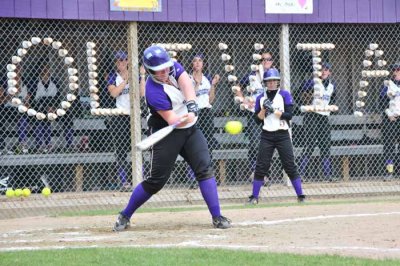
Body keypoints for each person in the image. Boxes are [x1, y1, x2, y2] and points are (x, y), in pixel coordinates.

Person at [113, 45, 231, 231]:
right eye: (159, 71)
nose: (165, 72)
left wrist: (192, 106)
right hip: (166, 130)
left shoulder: (173, 67)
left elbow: (186, 84)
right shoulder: (153, 91)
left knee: (204, 168)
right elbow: (172, 119)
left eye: (166, 68)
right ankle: (125, 215)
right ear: (150, 71)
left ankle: (217, 216)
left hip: (190, 129)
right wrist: (184, 118)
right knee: (156, 180)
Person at [247, 68, 306, 204]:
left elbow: (289, 115)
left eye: (274, 81)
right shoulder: (261, 98)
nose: (272, 83)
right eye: (269, 81)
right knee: (261, 166)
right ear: (265, 83)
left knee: (289, 164)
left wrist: (274, 110)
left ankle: (300, 195)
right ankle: (254, 197)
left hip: (282, 134)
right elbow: (257, 120)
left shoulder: (284, 95)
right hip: (267, 135)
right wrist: (263, 109)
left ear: (278, 82)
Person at [107, 51, 145, 190]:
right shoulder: (113, 76)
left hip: (134, 116)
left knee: (138, 147)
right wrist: (126, 81)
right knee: (121, 150)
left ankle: (141, 178)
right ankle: (124, 182)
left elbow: (142, 94)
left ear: (128, 61)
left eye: (123, 60)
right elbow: (113, 93)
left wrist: (141, 76)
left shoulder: (135, 75)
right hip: (120, 116)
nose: (121, 63)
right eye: (118, 61)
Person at [235, 51, 275, 182]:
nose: (265, 62)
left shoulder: (274, 75)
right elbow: (238, 86)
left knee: (267, 144)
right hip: (254, 114)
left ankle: (264, 174)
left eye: (268, 59)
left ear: (272, 61)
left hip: (269, 115)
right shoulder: (252, 75)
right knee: (255, 143)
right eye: (262, 59)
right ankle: (255, 172)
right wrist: (243, 100)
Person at [298, 62, 337, 182]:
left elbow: (333, 100)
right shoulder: (313, 82)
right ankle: (301, 174)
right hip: (311, 115)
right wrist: (308, 97)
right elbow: (301, 95)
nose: (324, 71)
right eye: (322, 70)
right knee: (310, 144)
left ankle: (327, 175)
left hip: (323, 116)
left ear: (329, 72)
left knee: (325, 145)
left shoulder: (331, 86)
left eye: (326, 69)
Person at [187, 54, 220, 188]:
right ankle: (192, 176)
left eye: (200, 61)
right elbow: (190, 97)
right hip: (195, 113)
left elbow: (210, 100)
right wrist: (196, 84)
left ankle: (206, 176)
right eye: (195, 61)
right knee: (193, 145)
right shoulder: (188, 78)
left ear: (203, 64)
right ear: (192, 64)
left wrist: (213, 85)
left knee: (208, 144)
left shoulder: (206, 79)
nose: (197, 63)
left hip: (206, 112)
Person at [29, 64, 61, 153]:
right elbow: (32, 99)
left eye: (48, 70)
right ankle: (40, 144)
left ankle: (48, 143)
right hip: (38, 107)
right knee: (40, 117)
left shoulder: (54, 82)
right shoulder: (35, 83)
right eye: (44, 70)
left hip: (51, 107)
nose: (47, 72)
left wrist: (53, 107)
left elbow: (57, 97)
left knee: (48, 117)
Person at [379, 62, 400, 181]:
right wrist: (389, 114)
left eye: (398, 70)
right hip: (391, 119)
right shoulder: (388, 85)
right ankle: (389, 171)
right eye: (395, 70)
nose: (396, 72)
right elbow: (381, 103)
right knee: (389, 146)